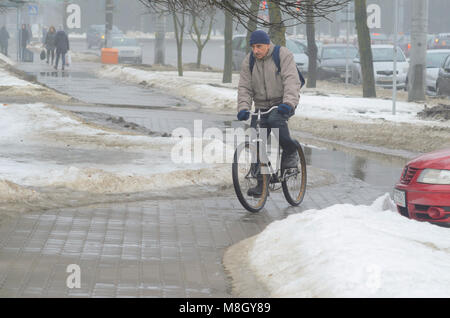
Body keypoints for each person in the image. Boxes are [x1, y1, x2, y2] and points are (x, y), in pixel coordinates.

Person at [237, 30, 301, 197]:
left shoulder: (282, 54)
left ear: (267, 45)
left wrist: (288, 103)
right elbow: (244, 87)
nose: (255, 50)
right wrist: (243, 108)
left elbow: (291, 80)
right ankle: (261, 182)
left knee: (275, 121)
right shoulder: (249, 61)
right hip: (260, 106)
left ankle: (290, 151)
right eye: (253, 47)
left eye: (259, 46)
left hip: (282, 103)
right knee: (255, 139)